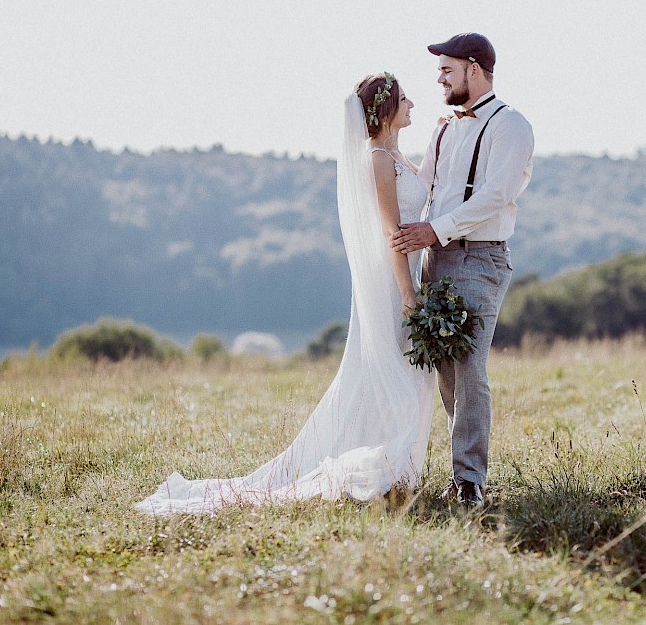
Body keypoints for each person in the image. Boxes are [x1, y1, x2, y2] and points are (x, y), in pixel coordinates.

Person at [136, 73, 434, 514]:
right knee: (398, 371)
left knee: (408, 371)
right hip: (392, 279)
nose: (414, 105)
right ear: (387, 109)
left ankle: (394, 468)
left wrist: (448, 131)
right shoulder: (376, 159)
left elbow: (422, 189)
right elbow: (392, 232)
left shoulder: (397, 155)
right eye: (406, 99)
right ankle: (381, 468)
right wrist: (408, 293)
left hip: (408, 271)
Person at [391, 33, 534, 506]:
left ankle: (470, 481)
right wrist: (380, 151)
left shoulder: (511, 125)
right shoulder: (443, 128)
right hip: (437, 259)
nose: (439, 78)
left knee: (470, 369)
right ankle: (461, 473)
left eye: (446, 70)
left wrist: (436, 230)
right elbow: (423, 186)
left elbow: (497, 194)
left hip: (480, 255)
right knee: (447, 371)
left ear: (474, 69)